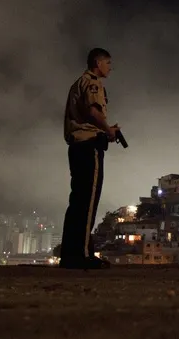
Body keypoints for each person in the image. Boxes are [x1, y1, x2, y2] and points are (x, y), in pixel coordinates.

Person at [59, 47, 120, 269]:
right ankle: (82, 254)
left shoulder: (79, 83)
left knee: (77, 202)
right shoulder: (93, 83)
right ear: (98, 63)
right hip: (88, 146)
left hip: (77, 146)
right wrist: (108, 130)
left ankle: (69, 255)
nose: (110, 67)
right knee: (87, 202)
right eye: (108, 63)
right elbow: (94, 112)